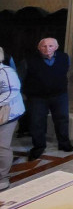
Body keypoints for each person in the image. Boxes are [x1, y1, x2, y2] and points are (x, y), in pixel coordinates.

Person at [23, 38, 73, 161]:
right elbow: (22, 77)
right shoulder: (29, 60)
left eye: (51, 46)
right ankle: (38, 147)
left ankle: (64, 143)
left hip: (59, 94)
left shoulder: (64, 57)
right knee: (37, 122)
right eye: (44, 46)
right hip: (37, 97)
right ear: (39, 48)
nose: (47, 49)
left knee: (62, 119)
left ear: (56, 47)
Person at [0, 47, 24, 191]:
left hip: (6, 114)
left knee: (2, 146)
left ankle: (2, 178)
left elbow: (12, 91)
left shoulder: (5, 72)